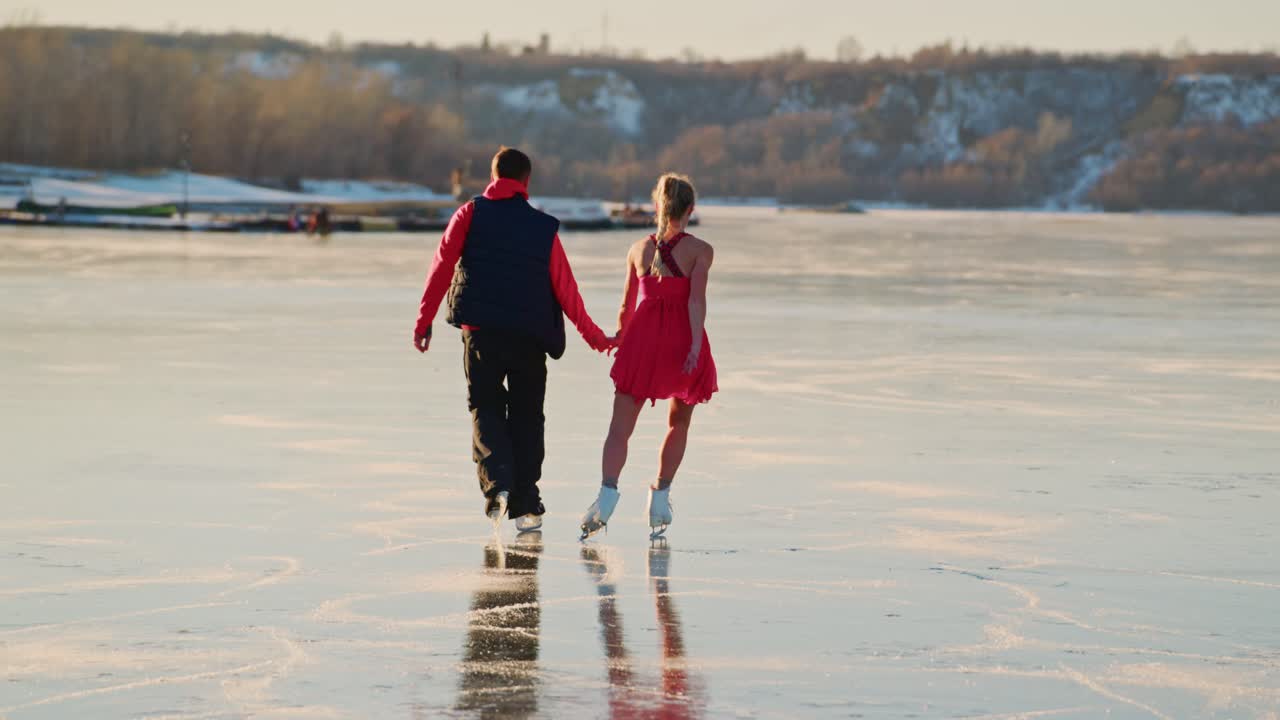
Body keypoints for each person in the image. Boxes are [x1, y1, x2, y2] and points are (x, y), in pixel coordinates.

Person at [413, 147, 614, 532]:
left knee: (485, 408)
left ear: (492, 175)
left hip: (482, 335)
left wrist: (424, 322)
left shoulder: (469, 214)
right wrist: (597, 338)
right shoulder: (543, 229)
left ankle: (496, 487)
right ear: (526, 181)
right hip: (528, 339)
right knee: (527, 417)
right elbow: (567, 292)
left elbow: (441, 267)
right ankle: (525, 504)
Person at [580, 174, 718, 540]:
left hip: (642, 340)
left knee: (619, 428)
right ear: (690, 209)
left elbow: (627, 305)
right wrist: (693, 348)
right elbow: (695, 300)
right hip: (680, 339)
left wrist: (622, 338)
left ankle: (606, 497)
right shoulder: (701, 250)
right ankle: (660, 499)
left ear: (657, 206)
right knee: (679, 423)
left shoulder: (637, 249)